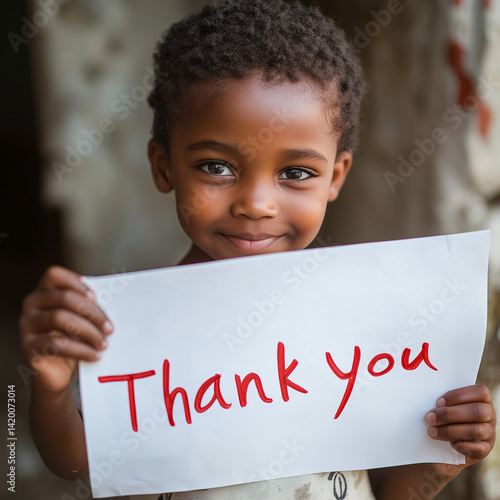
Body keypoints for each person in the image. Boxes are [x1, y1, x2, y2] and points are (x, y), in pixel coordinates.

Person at [19, 1, 496, 499]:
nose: (255, 204)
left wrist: (441, 460)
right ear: (163, 167)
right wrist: (51, 385)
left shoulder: (366, 332)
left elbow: (381, 490)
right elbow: (78, 462)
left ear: (335, 177)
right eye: (216, 167)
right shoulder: (135, 331)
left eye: (295, 173)